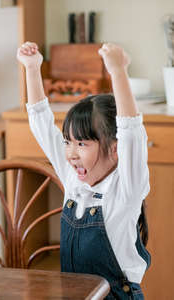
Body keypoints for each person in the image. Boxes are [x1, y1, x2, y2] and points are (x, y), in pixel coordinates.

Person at [16, 42, 150, 299]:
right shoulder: (73, 176)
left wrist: (118, 71)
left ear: (115, 148)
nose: (71, 153)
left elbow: (131, 132)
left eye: (82, 143)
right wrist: (32, 69)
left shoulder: (125, 188)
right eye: (68, 142)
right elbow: (41, 123)